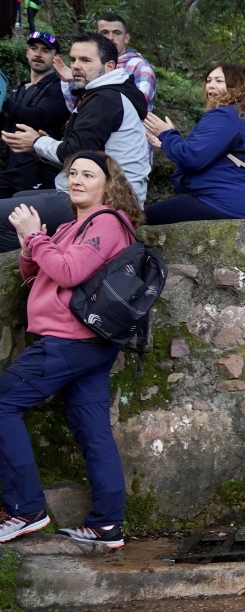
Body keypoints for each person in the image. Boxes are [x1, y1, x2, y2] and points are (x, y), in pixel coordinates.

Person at [0, 150, 143, 548]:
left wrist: (34, 236)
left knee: (2, 403)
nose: (77, 180)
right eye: (72, 173)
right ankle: (107, 525)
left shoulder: (108, 222)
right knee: (92, 428)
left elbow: (68, 272)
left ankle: (25, 509)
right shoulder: (69, 227)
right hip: (84, 342)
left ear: (108, 184)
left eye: (88, 174)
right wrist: (30, 244)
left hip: (72, 338)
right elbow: (34, 272)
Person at [0, 33, 149, 252]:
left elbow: (77, 151)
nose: (77, 66)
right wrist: (38, 147)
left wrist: (38, 142)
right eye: (74, 59)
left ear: (109, 66)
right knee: (19, 198)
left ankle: (45, 260)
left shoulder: (105, 99)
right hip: (92, 194)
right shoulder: (103, 95)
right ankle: (44, 257)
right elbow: (87, 155)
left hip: (107, 204)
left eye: (86, 60)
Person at [141, 63, 245, 225]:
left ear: (236, 85)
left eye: (219, 81)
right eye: (208, 80)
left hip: (230, 203)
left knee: (141, 220)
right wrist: (166, 143)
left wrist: (167, 134)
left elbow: (192, 157)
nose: (211, 85)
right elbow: (218, 154)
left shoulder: (225, 115)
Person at [0, 31, 69, 197]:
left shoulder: (59, 88)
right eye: (34, 48)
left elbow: (40, 117)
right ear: (27, 52)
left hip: (37, 169)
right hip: (6, 168)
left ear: (56, 58)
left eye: (45, 51)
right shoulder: (19, 88)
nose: (38, 54)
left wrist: (3, 100)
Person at [57, 12, 157, 114]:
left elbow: (137, 107)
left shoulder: (139, 67)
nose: (110, 38)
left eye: (117, 33)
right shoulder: (90, 65)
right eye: (104, 32)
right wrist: (69, 81)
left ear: (126, 38)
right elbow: (74, 108)